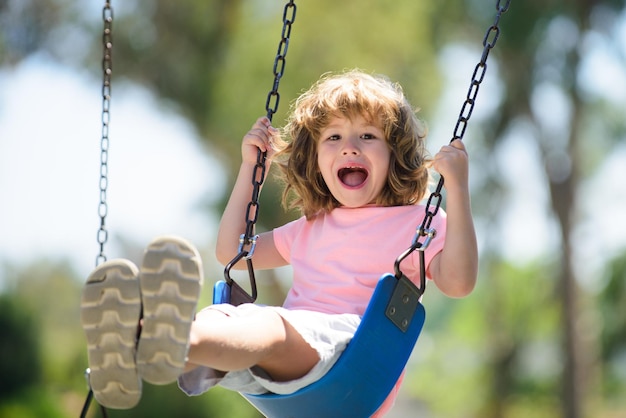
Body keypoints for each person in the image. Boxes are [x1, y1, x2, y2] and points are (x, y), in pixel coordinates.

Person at [81, 69, 478, 416]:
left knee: (269, 323)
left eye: (368, 135)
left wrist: (457, 188)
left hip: (353, 355)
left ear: (395, 154)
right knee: (229, 317)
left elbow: (458, 282)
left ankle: (170, 338)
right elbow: (234, 253)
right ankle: (145, 339)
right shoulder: (311, 227)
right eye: (334, 136)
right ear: (317, 161)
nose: (349, 146)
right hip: (282, 355)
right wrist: (251, 167)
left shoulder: (416, 222)